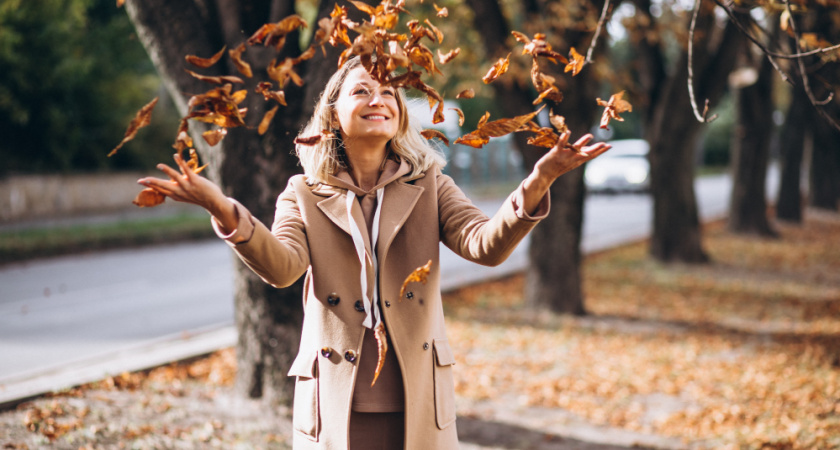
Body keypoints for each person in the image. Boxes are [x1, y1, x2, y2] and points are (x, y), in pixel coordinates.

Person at [138, 56, 610, 450]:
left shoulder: (431, 186)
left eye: (387, 93)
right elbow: (283, 269)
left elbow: (484, 246)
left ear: (401, 116)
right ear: (333, 114)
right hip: (335, 401)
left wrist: (538, 182)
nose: (377, 99)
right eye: (361, 91)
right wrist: (221, 207)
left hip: (416, 397)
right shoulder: (302, 192)